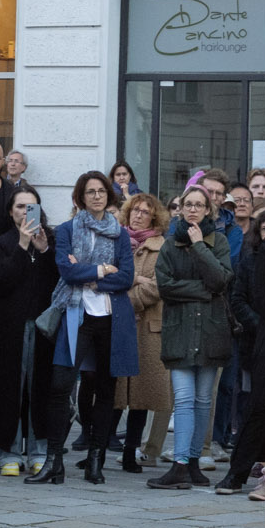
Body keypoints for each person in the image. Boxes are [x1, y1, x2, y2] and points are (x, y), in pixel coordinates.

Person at [51, 172, 136, 487]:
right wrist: (101, 270)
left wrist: (87, 276)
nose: (97, 196)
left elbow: (126, 277)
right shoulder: (67, 230)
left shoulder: (120, 234)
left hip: (111, 317)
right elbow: (65, 270)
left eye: (102, 191)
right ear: (81, 197)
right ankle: (54, 460)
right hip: (76, 313)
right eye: (91, 192)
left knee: (105, 389)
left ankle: (96, 460)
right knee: (60, 385)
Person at [149, 186, 233, 490]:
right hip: (180, 331)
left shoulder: (218, 242)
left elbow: (222, 280)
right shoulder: (170, 245)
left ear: (208, 210)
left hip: (210, 331)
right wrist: (203, 291)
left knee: (202, 400)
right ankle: (180, 464)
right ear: (181, 209)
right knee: (183, 399)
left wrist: (199, 247)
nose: (194, 210)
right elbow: (165, 286)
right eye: (189, 205)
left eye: (200, 205)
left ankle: (194, 462)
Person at [221, 198, 265, 500]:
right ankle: (238, 472)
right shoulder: (251, 259)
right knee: (259, 406)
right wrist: (263, 323)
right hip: (262, 342)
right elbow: (239, 298)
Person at [0, 187, 56, 477]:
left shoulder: (50, 241)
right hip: (7, 328)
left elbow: (57, 280)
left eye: (31, 207)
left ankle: (39, 450)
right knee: (8, 388)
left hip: (43, 327)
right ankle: (8, 451)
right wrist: (22, 246)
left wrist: (43, 251)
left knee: (40, 388)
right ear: (11, 211)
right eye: (20, 207)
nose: (25, 212)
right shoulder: (1, 243)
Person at [113, 192, 172, 475]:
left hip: (147, 329)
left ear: (154, 216)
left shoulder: (162, 247)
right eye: (135, 210)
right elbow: (110, 278)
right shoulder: (116, 241)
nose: (138, 215)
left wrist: (126, 298)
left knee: (141, 396)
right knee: (112, 392)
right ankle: (100, 448)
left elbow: (158, 287)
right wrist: (134, 280)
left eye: (145, 212)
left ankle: (130, 453)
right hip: (117, 326)